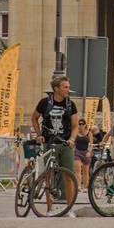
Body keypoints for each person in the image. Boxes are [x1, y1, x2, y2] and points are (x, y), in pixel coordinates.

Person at [31, 75, 79, 217]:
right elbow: (34, 117)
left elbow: (75, 126)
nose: (68, 90)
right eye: (65, 87)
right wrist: (39, 134)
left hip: (65, 143)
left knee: (68, 176)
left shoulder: (71, 104)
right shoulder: (45, 103)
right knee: (48, 176)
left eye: (68, 87)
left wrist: (72, 139)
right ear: (56, 88)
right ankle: (49, 209)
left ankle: (69, 208)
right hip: (49, 143)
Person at [74, 119, 92, 187]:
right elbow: (73, 142)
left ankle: (85, 186)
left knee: (85, 171)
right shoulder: (76, 132)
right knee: (77, 169)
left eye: (82, 124)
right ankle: (78, 186)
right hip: (77, 152)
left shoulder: (89, 133)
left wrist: (89, 152)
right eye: (79, 124)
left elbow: (91, 144)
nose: (81, 125)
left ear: (85, 125)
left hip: (86, 152)